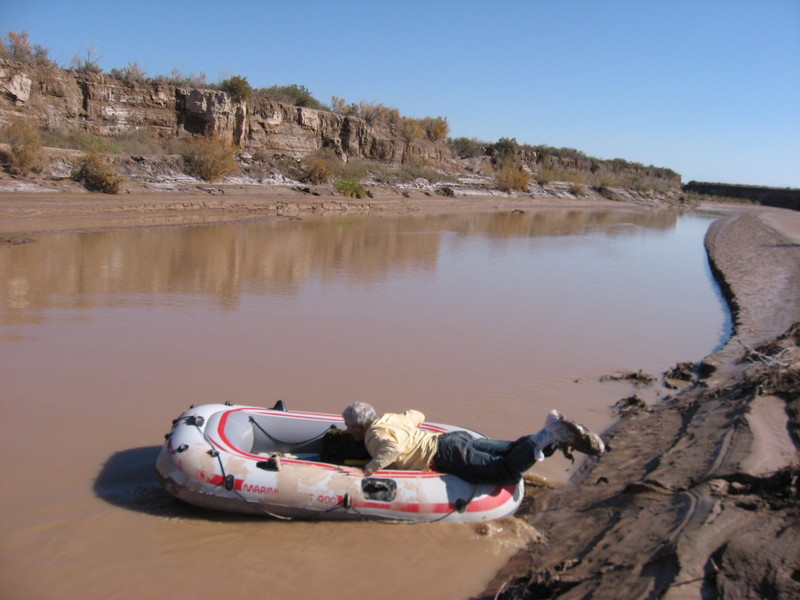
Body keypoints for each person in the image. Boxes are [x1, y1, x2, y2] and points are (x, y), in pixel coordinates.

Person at [340, 402, 605, 485]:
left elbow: (393, 449)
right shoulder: (390, 419)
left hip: (446, 455)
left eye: (348, 426)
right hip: (452, 438)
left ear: (358, 426)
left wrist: (366, 471)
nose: (346, 430)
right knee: (512, 449)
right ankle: (553, 435)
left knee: (505, 472)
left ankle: (545, 437)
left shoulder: (375, 437)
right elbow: (417, 415)